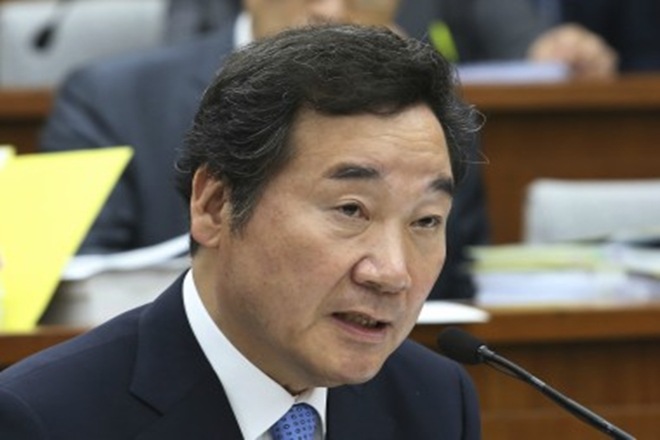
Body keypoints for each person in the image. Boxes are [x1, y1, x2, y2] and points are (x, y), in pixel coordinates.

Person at [0, 24, 481, 439]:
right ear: (215, 205)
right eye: (351, 210)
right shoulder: (42, 419)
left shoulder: (435, 400)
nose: (392, 273)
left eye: (425, 220)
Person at [40, 0, 489, 300]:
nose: (329, 10)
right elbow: (75, 281)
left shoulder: (430, 115)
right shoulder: (111, 98)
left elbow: (453, 284)